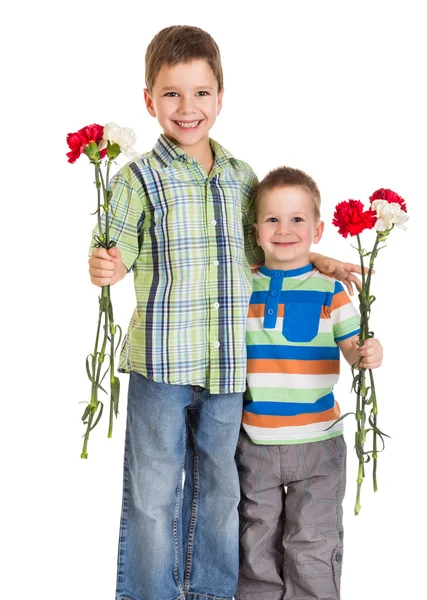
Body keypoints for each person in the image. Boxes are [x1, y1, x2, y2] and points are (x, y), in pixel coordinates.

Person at [88, 26, 365, 600]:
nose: (187, 108)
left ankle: (213, 592)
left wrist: (315, 255)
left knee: (221, 490)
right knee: (154, 493)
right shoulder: (136, 178)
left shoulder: (241, 177)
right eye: (171, 94)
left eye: (201, 93)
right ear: (149, 101)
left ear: (220, 96)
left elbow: (259, 244)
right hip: (161, 362)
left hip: (228, 370)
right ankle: (150, 594)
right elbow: (117, 249)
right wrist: (106, 265)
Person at [235, 167, 383, 600]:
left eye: (297, 219)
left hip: (318, 443)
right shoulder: (242, 286)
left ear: (317, 229)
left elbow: (354, 347)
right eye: (273, 220)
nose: (284, 230)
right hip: (254, 442)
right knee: (255, 545)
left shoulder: (329, 291)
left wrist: (368, 353)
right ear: (256, 231)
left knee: (312, 544)